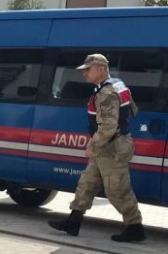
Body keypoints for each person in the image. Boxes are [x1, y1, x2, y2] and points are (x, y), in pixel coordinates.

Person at [48, 54, 145, 243]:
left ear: (101, 68)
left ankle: (135, 228)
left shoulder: (106, 93)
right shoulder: (117, 84)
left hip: (112, 148)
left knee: (117, 190)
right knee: (87, 184)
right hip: (110, 145)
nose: (84, 73)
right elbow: (133, 110)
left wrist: (94, 144)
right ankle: (73, 221)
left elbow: (109, 126)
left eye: (88, 69)